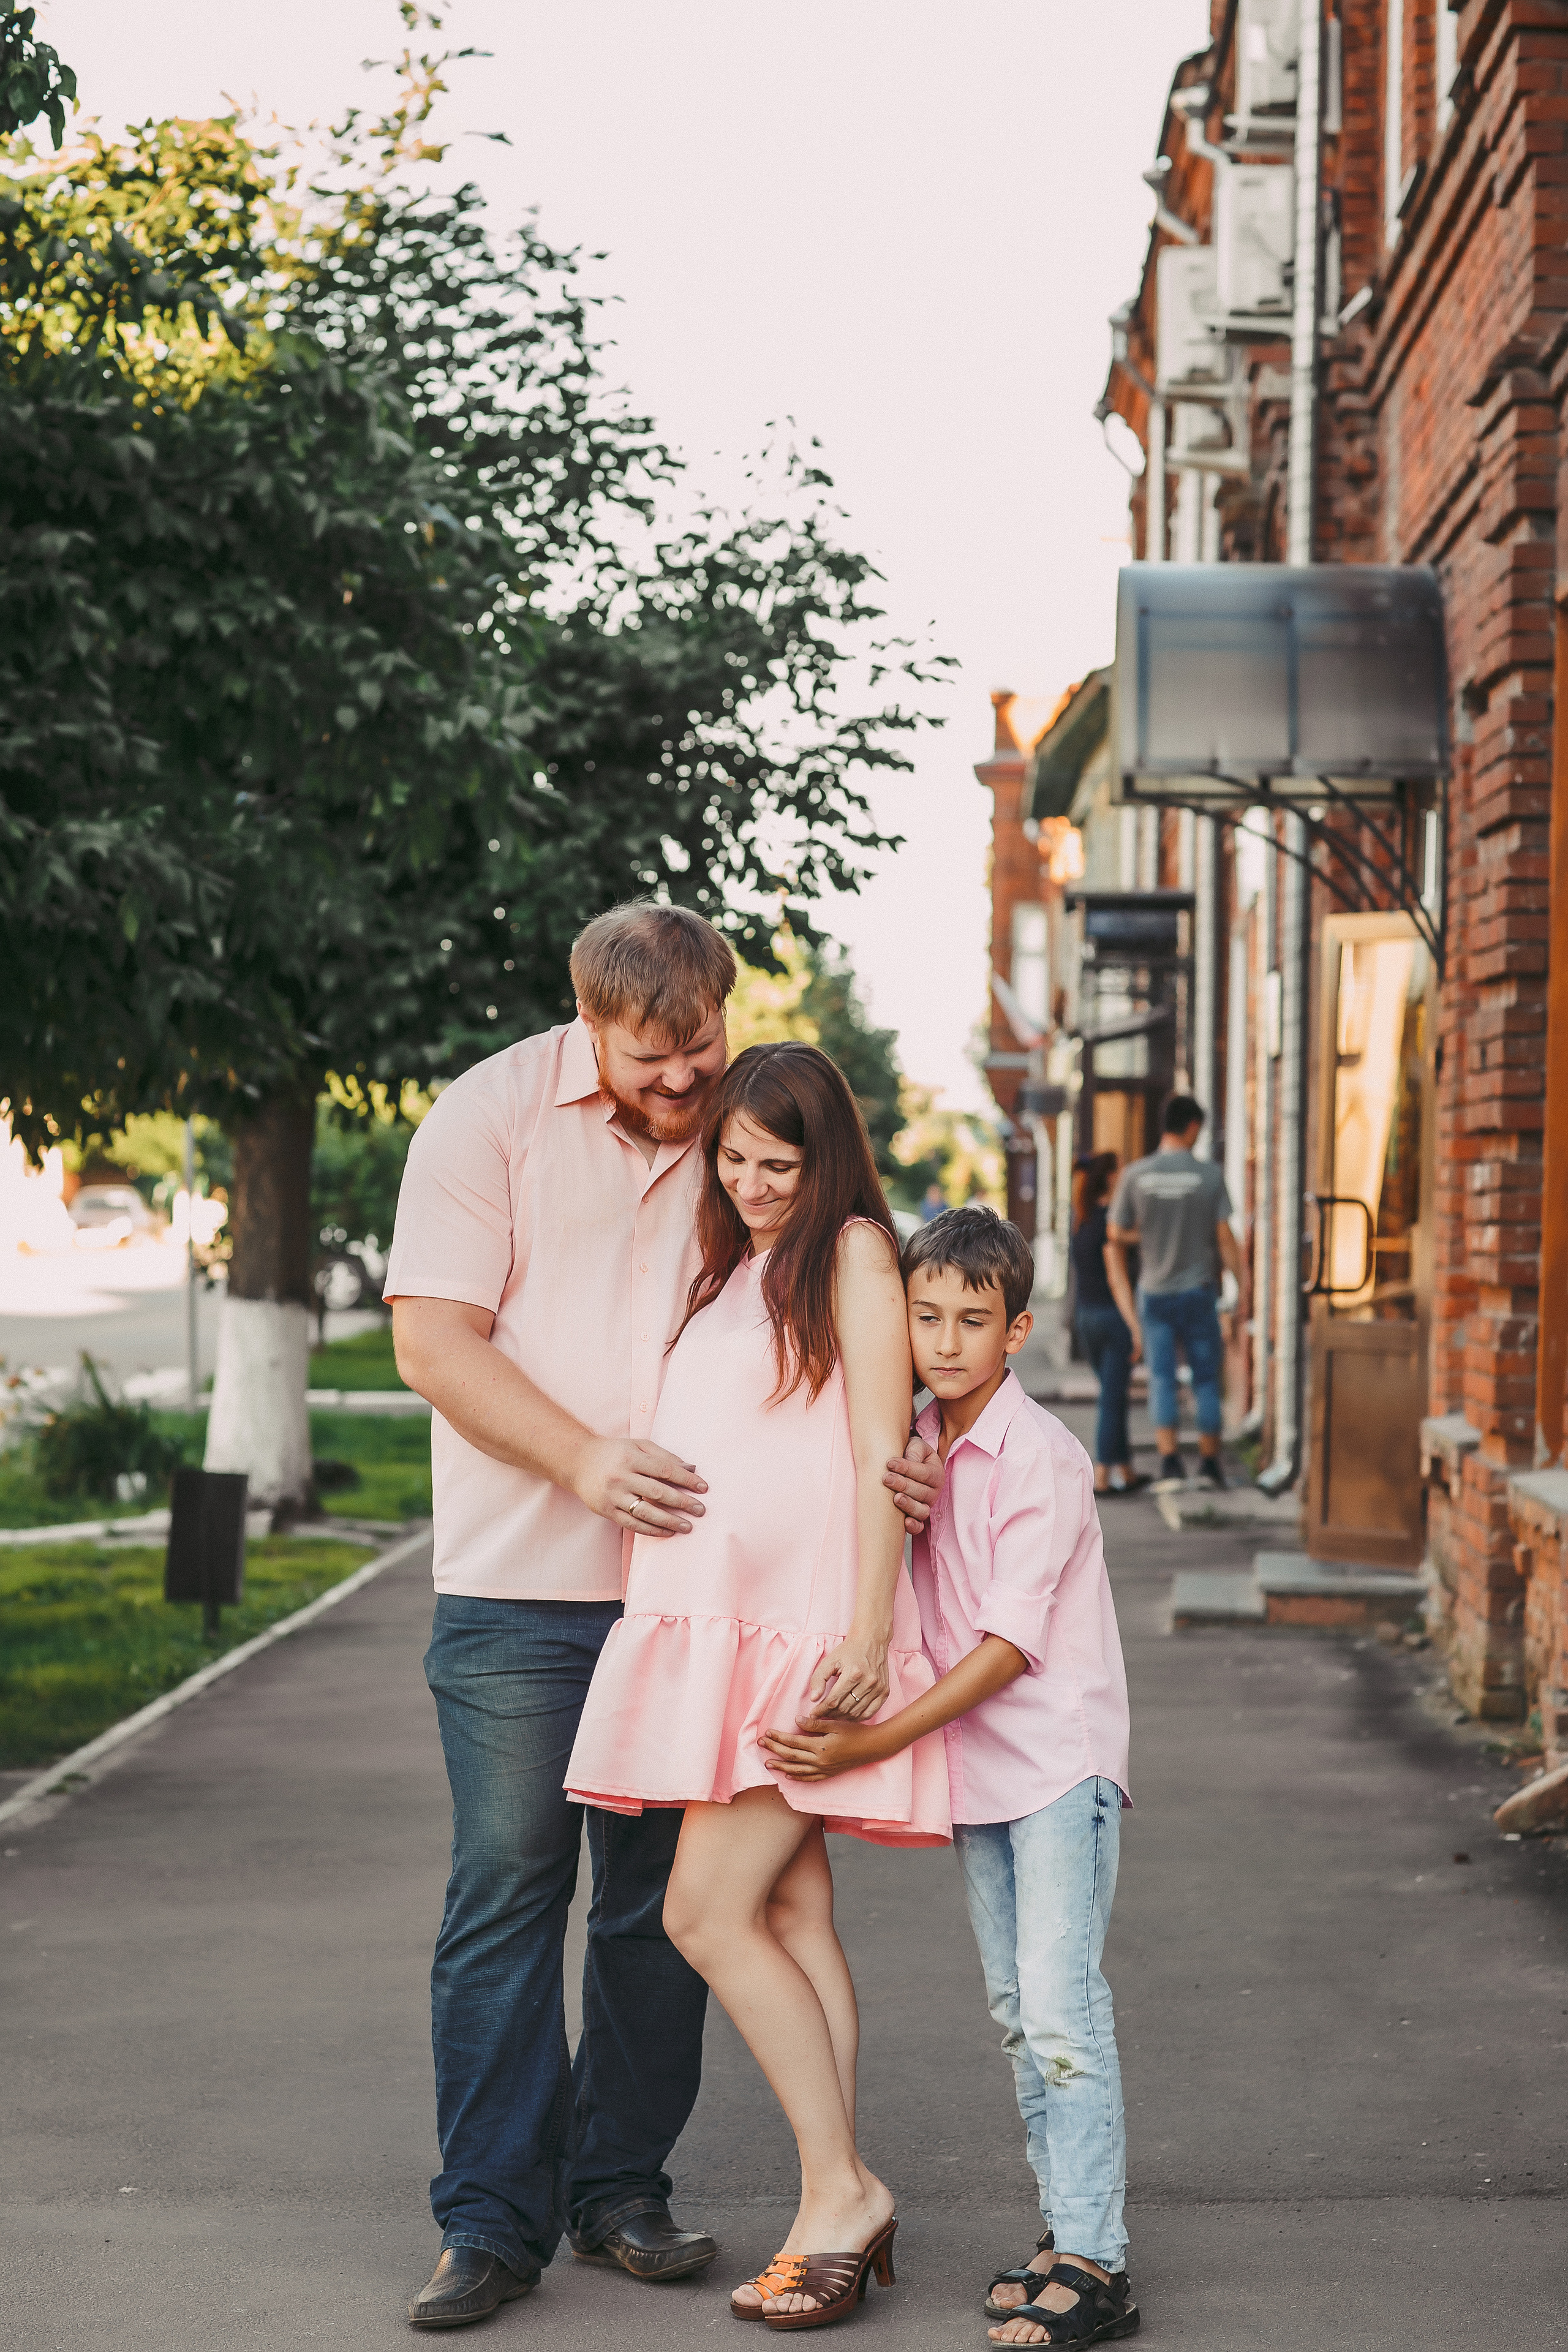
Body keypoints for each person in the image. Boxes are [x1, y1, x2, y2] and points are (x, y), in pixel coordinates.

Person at [385, 904, 947, 2329]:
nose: (686, 1085)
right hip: (525, 1583)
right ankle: (490, 2218)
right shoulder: (489, 1116)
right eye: (654, 1063)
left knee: (661, 1911)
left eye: (702, 1046)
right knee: (509, 1891)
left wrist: (931, 1452)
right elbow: (429, 1336)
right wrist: (580, 1456)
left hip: (704, 1615)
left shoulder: (752, 1126)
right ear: (591, 1027)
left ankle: (619, 2186)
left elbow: (854, 1313)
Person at [565, 1042, 950, 2332]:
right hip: (710, 1630)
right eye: (731, 1160)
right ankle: (823, 2204)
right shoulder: (735, 1263)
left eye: (776, 1163)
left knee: (701, 1914)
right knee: (786, 1907)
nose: (749, 1182)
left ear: (825, 1152)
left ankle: (843, 2189)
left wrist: (866, 1628)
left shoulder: (847, 1251)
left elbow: (875, 1450)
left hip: (795, 1638)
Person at [765, 1205, 1136, 2349]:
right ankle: (1064, 2228)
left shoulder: (1045, 1460)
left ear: (1016, 1329)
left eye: (973, 1320)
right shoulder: (918, 1440)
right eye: (925, 1316)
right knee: (1021, 2016)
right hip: (981, 1777)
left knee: (1065, 2013)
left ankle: (1100, 2261)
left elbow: (1006, 1649)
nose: (946, 1339)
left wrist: (871, 1745)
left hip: (1057, 1767)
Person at [1104, 1095, 1240, 1493]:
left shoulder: (1136, 1175)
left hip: (1155, 1293)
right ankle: (1211, 1464)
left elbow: (1115, 1234)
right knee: (1205, 1380)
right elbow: (1225, 1237)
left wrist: (1147, 1235)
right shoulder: (1209, 1176)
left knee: (1162, 1378)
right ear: (1193, 1128)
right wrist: (1242, 1283)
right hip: (1199, 1293)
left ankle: (1169, 1462)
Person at [1069, 1153, 1146, 1498]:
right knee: (1112, 1400)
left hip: (1086, 1319)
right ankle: (1101, 1475)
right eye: (1118, 1172)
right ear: (1110, 1179)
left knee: (1114, 1396)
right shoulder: (1108, 1224)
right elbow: (1117, 1279)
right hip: (1112, 1319)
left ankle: (1126, 1470)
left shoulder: (1082, 1221)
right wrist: (1135, 1327)